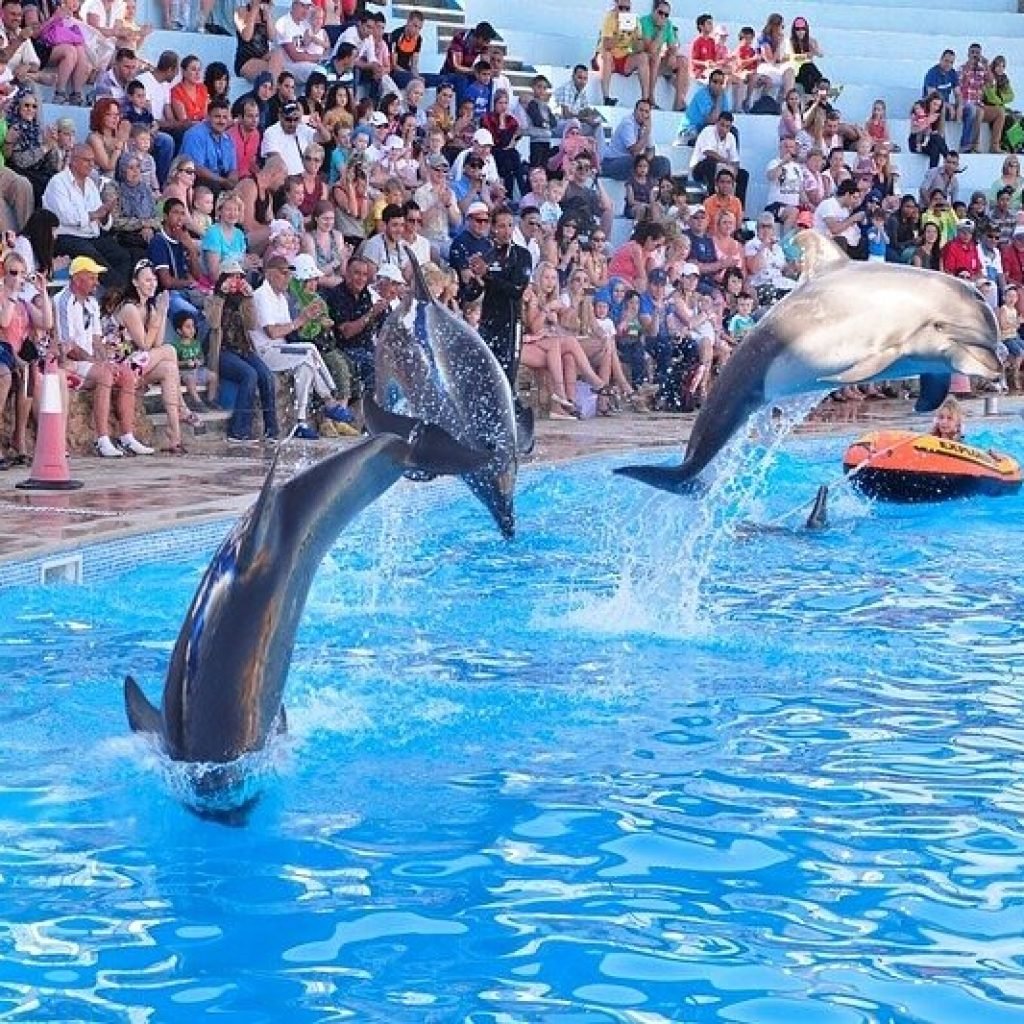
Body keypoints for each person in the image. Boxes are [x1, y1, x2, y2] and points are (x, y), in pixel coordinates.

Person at [53, 255, 147, 457]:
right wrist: (99, 363)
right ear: (78, 279)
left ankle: (127, 436)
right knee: (105, 375)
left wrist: (106, 360)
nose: (97, 282)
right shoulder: (63, 301)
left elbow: (97, 339)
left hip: (89, 361)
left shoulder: (92, 303)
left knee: (126, 374)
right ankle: (101, 439)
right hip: (71, 361)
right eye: (92, 277)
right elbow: (68, 345)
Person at [108, 258, 194, 454]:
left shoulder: (150, 307)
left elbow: (157, 342)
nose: (153, 283)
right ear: (135, 282)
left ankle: (175, 433)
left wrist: (161, 314)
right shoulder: (130, 308)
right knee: (170, 351)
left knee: (170, 368)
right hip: (120, 362)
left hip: (138, 363)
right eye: (147, 280)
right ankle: (181, 407)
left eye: (154, 279)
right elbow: (145, 345)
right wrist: (159, 317)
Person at [205, 260, 279, 444]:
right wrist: (221, 295)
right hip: (221, 351)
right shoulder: (211, 298)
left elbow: (252, 324)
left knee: (266, 376)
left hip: (243, 349)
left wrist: (249, 299)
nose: (235, 280)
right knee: (249, 375)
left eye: (238, 276)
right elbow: (214, 323)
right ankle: (239, 431)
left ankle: (272, 430)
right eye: (231, 276)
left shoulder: (242, 300)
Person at [42, 144, 132, 288]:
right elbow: (66, 217)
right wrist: (96, 214)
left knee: (122, 256)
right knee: (92, 255)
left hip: (91, 237)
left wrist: (105, 214)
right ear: (74, 160)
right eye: (87, 160)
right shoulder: (58, 182)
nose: (92, 164)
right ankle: (120, 295)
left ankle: (114, 297)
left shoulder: (90, 184)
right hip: (66, 238)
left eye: (93, 161)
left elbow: (102, 220)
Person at [459, 205, 530, 386]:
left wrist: (488, 275)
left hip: (511, 323)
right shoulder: (486, 256)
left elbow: (516, 290)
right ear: (493, 228)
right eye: (501, 226)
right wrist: (475, 278)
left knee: (507, 377)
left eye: (509, 225)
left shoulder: (521, 255)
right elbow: (470, 295)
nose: (506, 231)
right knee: (485, 374)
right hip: (488, 323)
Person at [596, 0, 651, 107]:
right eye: (621, 8)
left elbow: (639, 48)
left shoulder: (634, 20)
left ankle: (645, 99)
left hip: (625, 58)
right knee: (606, 55)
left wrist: (636, 37)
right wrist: (620, 31)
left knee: (643, 57)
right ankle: (606, 97)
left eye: (627, 8)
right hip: (609, 58)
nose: (624, 11)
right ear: (616, 6)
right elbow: (606, 45)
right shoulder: (610, 18)